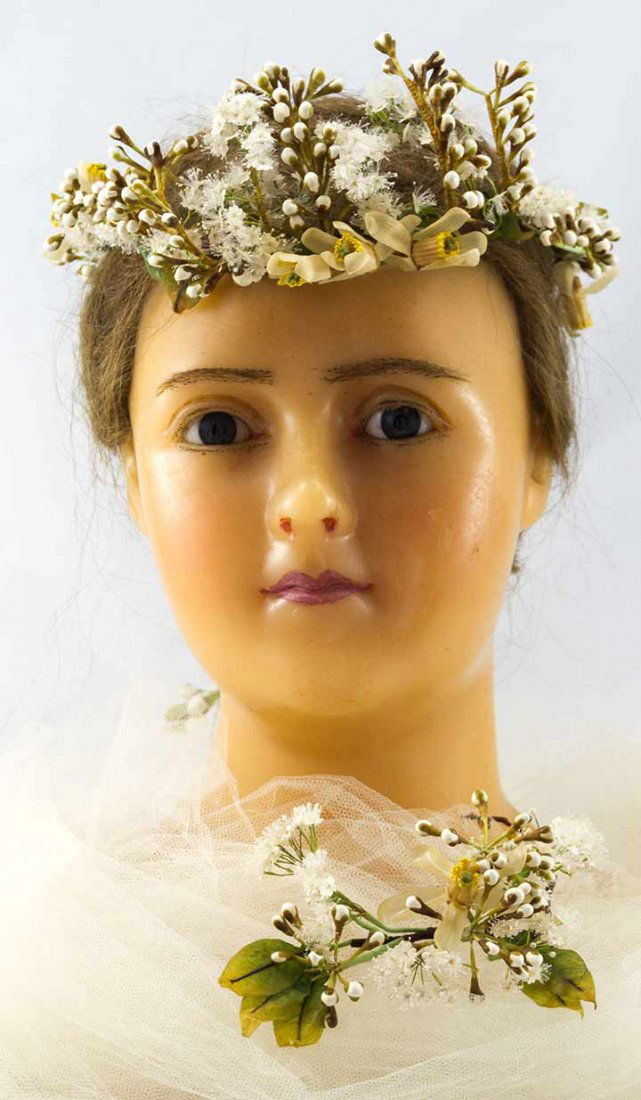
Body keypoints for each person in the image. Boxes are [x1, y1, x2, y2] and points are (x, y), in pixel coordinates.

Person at [1, 31, 638, 1098]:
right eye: (216, 428)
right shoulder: (41, 985)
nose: (308, 501)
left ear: (535, 457)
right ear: (134, 481)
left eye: (399, 419)